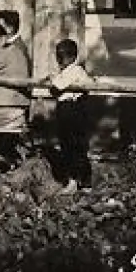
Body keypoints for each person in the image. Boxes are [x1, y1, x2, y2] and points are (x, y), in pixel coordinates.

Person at [44, 39, 96, 194]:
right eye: (59, 56)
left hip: (74, 110)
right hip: (64, 109)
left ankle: (84, 182)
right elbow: (54, 90)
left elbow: (56, 87)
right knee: (66, 145)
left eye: (64, 56)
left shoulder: (76, 71)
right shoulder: (64, 72)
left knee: (77, 146)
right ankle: (72, 181)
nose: (61, 60)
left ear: (73, 57)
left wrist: (53, 80)